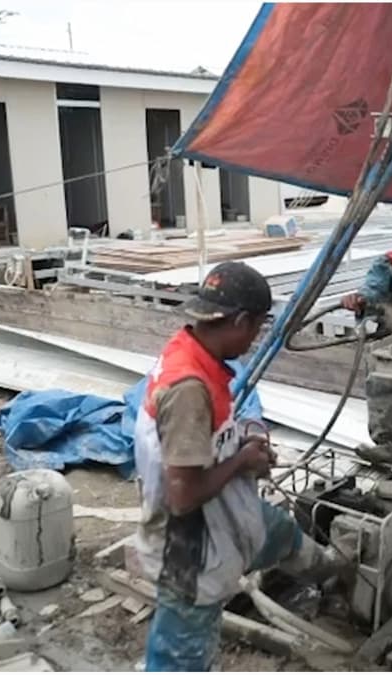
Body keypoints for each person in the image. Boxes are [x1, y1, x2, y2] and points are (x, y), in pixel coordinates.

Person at [134, 261, 342, 671]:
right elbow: (183, 495)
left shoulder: (190, 350)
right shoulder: (189, 389)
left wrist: (240, 447)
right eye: (257, 328)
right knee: (182, 653)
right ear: (241, 321)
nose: (254, 339)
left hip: (226, 513)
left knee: (282, 533)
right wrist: (243, 461)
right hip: (189, 549)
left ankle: (337, 574)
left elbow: (202, 440)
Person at [341, 195, 392, 465]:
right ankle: (386, 444)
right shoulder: (391, 264)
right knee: (379, 381)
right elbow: (371, 291)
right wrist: (360, 300)